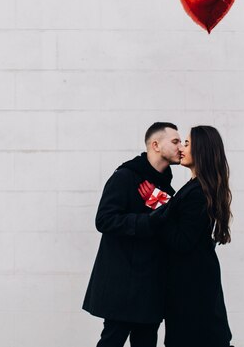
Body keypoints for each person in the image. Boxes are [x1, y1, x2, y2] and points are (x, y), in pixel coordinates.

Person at [83, 122, 183, 347]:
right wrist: (148, 221)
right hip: (124, 285)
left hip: (152, 287)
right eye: (175, 141)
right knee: (112, 340)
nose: (181, 147)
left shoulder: (167, 189)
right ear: (155, 145)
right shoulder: (126, 176)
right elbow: (104, 219)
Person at [138, 125, 233, 347]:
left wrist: (155, 206)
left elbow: (181, 241)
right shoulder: (196, 187)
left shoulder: (198, 192)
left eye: (187, 144)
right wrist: (161, 203)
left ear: (201, 150)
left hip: (193, 288)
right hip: (192, 283)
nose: (181, 148)